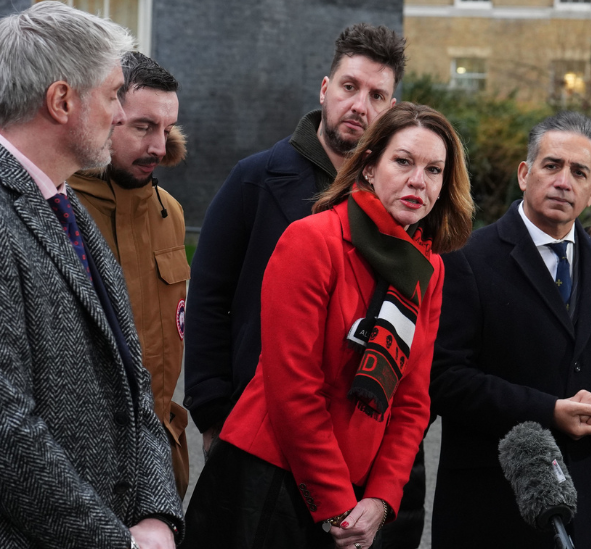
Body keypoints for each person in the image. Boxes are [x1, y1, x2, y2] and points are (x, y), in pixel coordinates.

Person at [182, 102, 473, 549]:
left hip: (359, 504)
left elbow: (413, 401)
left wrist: (381, 499)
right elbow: (293, 388)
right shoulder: (311, 239)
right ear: (370, 167)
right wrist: (338, 503)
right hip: (266, 485)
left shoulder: (428, 270)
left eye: (435, 170)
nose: (419, 180)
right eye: (403, 161)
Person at [429, 111, 591, 549]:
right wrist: (547, 410)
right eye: (551, 165)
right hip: (492, 508)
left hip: (589, 511)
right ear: (524, 173)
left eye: (578, 172)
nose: (562, 181)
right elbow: (444, 378)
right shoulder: (467, 258)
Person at [0, 3, 183, 548]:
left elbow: (134, 378)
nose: (119, 116)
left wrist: (155, 512)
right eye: (111, 96)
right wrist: (117, 541)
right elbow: (7, 429)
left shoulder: (65, 206)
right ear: (61, 101)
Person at [69, 51, 191, 499]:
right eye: (144, 127)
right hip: (79, 476)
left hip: (160, 465)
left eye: (167, 128)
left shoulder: (169, 213)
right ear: (106, 114)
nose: (160, 146)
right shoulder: (55, 211)